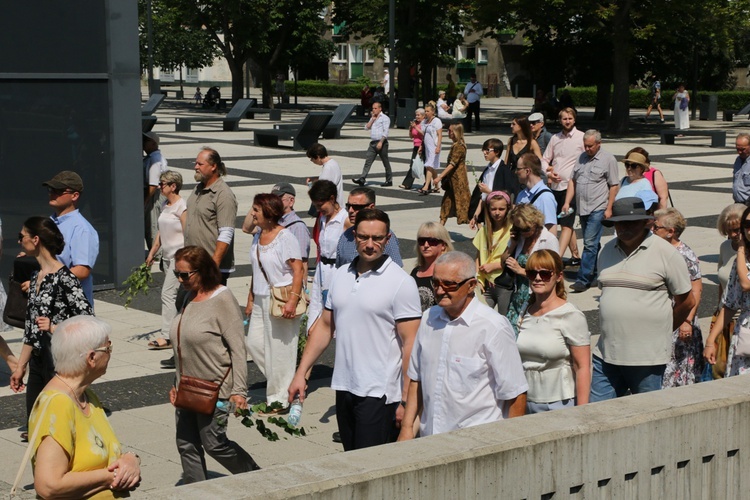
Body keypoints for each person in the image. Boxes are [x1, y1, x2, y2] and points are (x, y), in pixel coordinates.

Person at [288, 209, 421, 452]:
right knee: (351, 461)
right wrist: (301, 373)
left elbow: (410, 345)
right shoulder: (340, 275)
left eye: (377, 238)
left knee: (372, 468)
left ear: (388, 239)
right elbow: (325, 327)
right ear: (353, 237)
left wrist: (405, 401)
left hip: (380, 394)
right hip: (345, 387)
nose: (370, 245)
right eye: (363, 237)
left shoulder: (401, 283)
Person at [398, 251, 527, 440]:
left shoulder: (493, 327)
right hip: (430, 441)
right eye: (436, 283)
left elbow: (515, 394)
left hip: (477, 444)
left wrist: (508, 444)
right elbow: (417, 379)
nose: (440, 291)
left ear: (471, 285)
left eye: (449, 284)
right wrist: (407, 428)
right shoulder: (428, 319)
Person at [169, 246, 260, 483]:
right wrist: (175, 383)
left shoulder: (222, 298)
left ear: (203, 271)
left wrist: (239, 392)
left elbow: (238, 349)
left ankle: (257, 478)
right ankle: (197, 491)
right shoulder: (188, 295)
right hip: (187, 388)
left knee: (214, 443)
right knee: (186, 443)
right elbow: (182, 345)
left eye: (185, 275)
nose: (180, 280)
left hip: (216, 390)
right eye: (177, 274)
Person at [591, 197, 694, 401]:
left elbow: (687, 301)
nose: (624, 227)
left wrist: (664, 327)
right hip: (606, 354)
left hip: (647, 357)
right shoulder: (606, 251)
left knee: (646, 416)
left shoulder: (666, 253)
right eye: (620, 222)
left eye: (631, 222)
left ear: (646, 222)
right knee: (597, 415)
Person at [28, 316, 141, 498]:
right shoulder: (58, 404)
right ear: (91, 357)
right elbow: (49, 485)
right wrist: (111, 476)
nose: (110, 352)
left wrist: (131, 459)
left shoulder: (86, 396)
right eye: (108, 347)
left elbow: (103, 454)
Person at [10, 217, 94, 439]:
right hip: (38, 360)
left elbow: (88, 322)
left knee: (59, 430)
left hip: (60, 362)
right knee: (35, 426)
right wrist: (20, 367)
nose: (19, 241)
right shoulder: (35, 276)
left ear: (35, 240)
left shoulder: (64, 278)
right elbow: (30, 328)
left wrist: (54, 327)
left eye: (22, 236)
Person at [245, 194, 305, 408]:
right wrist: (251, 298)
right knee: (253, 344)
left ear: (268, 213)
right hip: (261, 298)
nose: (252, 213)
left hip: (281, 298)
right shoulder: (258, 235)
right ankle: (285, 384)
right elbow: (256, 269)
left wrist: (292, 300)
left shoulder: (285, 237)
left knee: (280, 350)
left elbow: (298, 269)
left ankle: (279, 400)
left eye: (256, 210)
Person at [516, 249, 590, 413]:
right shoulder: (524, 310)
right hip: (525, 400)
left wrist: (583, 412)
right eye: (531, 273)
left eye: (545, 274)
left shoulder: (570, 315)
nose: (537, 278)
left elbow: (582, 366)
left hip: (559, 403)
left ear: (559, 276)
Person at [561, 130, 619, 292]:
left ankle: (583, 278)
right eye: (585, 146)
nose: (587, 149)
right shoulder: (581, 158)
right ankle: (597, 272)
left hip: (598, 207)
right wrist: (567, 202)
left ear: (599, 144)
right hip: (583, 208)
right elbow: (573, 181)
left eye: (590, 146)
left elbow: (614, 185)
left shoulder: (608, 159)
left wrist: (609, 207)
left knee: (589, 243)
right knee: (593, 244)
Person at [652, 208, 704, 387]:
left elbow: (696, 290)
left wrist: (686, 320)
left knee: (677, 368)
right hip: (663, 317)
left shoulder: (685, 254)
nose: (652, 230)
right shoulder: (658, 249)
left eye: (656, 227)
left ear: (670, 232)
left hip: (680, 319)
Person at [42, 170, 99, 308]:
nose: (52, 193)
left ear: (74, 196)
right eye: (51, 189)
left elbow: (82, 271)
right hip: (49, 301)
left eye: (59, 190)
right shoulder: (50, 222)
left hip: (70, 306)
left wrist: (44, 281)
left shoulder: (81, 229)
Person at [705, 205, 750, 378]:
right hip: (744, 332)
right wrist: (710, 340)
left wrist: (739, 249)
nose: (747, 230)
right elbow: (729, 301)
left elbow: (746, 284)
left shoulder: (740, 256)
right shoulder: (738, 257)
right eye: (747, 225)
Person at [146, 170, 187, 349]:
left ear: (173, 186)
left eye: (163, 183)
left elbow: (188, 233)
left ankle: (168, 336)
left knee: (167, 294)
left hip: (178, 258)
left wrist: (184, 259)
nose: (160, 186)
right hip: (167, 257)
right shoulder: (165, 204)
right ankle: (179, 330)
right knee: (177, 297)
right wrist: (152, 252)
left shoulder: (182, 206)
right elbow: (161, 233)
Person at [185, 147, 238, 284]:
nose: (196, 167)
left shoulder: (223, 195)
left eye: (200, 164)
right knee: (183, 304)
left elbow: (226, 233)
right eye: (195, 163)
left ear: (214, 166)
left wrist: (213, 266)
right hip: (192, 263)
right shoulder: (198, 188)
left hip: (210, 268)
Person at [505, 204, 560, 335]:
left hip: (537, 296)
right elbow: (503, 260)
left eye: (526, 229)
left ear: (535, 222)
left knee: (530, 335)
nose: (523, 233)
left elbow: (552, 273)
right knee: (512, 335)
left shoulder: (549, 240)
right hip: (518, 295)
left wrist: (521, 271)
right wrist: (512, 244)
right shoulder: (520, 238)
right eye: (518, 228)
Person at [542, 107, 583, 267]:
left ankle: (556, 258)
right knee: (563, 222)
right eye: (564, 118)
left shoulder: (581, 138)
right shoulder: (555, 138)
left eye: (570, 118)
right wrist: (548, 173)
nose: (567, 121)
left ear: (574, 120)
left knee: (566, 223)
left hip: (571, 188)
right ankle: (575, 254)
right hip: (555, 187)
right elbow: (545, 159)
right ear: (560, 120)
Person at [307, 180, 347, 332]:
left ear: (332, 199)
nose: (318, 209)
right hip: (321, 269)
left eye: (320, 205)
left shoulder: (345, 219)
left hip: (336, 270)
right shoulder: (322, 218)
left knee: (336, 317)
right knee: (315, 312)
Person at [335, 187, 403, 268]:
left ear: (371, 207)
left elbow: (396, 268)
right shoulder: (345, 236)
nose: (350, 210)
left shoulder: (383, 237)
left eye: (356, 207)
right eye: (348, 206)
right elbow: (339, 268)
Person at [473, 191, 514, 314]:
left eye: (501, 209)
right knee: (480, 317)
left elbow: (515, 256)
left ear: (507, 209)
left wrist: (495, 265)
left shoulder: (512, 230)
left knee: (504, 318)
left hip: (503, 283)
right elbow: (478, 256)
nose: (497, 213)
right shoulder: (484, 231)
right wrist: (477, 278)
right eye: (493, 209)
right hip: (485, 283)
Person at [469, 138, 520, 227]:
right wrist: (475, 216)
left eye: (488, 150)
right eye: (483, 150)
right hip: (488, 213)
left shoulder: (504, 170)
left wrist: (488, 191)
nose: (484, 153)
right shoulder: (487, 170)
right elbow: (483, 197)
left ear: (496, 152)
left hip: (500, 217)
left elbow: (507, 197)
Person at [411, 222, 453, 311]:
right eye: (422, 241)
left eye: (432, 241)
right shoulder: (415, 272)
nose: (426, 245)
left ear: (443, 245)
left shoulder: (448, 272)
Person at [434, 123, 471, 225]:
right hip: (452, 180)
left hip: (458, 180)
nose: (448, 133)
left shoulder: (459, 146)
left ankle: (480, 229)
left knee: (465, 204)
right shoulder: (456, 145)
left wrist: (440, 177)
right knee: (446, 203)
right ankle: (440, 227)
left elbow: (452, 164)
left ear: (455, 132)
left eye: (450, 131)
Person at [352, 102, 393, 187]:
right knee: (368, 160)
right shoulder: (373, 118)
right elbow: (366, 128)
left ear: (380, 108)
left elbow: (386, 132)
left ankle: (389, 180)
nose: (373, 110)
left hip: (381, 142)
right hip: (373, 143)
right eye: (372, 108)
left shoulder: (385, 118)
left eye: (375, 108)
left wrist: (381, 142)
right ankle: (362, 178)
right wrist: (372, 120)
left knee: (385, 161)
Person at [514, 153, 557, 230]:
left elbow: (551, 230)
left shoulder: (545, 197)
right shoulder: (521, 195)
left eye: (518, 169)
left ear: (527, 171)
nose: (516, 172)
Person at [143, 131, 168, 250]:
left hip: (154, 196)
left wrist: (145, 201)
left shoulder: (155, 160)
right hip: (154, 194)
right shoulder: (153, 157)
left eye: (146, 141)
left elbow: (152, 185)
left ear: (153, 143)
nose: (143, 143)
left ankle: (155, 253)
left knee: (152, 225)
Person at [417, 102, 443, 195]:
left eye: (428, 111)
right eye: (425, 111)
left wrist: (438, 146)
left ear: (433, 112)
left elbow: (440, 134)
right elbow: (424, 135)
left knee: (429, 166)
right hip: (427, 146)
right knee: (433, 166)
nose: (426, 113)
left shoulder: (437, 121)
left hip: (434, 146)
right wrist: (421, 146)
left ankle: (426, 185)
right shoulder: (424, 121)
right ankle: (436, 186)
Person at [399, 108, 426, 190]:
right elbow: (411, 136)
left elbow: (424, 133)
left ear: (423, 116)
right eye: (416, 115)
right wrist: (411, 129)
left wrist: (416, 127)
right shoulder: (415, 123)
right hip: (416, 146)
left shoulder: (424, 123)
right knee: (413, 165)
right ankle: (407, 184)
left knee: (425, 166)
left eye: (418, 115)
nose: (417, 117)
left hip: (423, 146)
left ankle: (428, 184)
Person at [732, 133, 750, 204]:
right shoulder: (738, 160)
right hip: (738, 203)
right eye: (737, 149)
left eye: (743, 149)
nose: (739, 152)